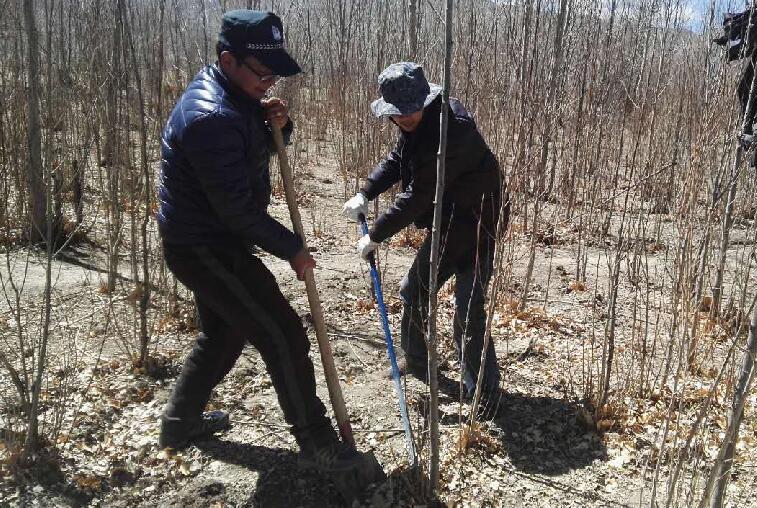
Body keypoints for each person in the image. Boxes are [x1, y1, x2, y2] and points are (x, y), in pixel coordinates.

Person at [156, 9, 376, 480]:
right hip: (204, 246)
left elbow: (251, 151)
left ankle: (179, 425)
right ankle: (317, 443)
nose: (269, 81)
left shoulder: (235, 97)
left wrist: (279, 125)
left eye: (274, 72)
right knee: (282, 333)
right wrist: (291, 247)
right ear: (228, 59)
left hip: (215, 237)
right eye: (262, 72)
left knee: (224, 333)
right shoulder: (210, 116)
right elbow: (236, 209)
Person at [343, 62, 507, 406]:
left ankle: (484, 393)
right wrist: (367, 191)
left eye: (411, 111)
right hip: (449, 221)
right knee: (414, 290)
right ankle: (416, 363)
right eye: (398, 113)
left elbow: (420, 195)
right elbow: (397, 157)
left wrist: (375, 234)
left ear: (425, 100)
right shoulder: (414, 126)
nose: (405, 118)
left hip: (480, 223)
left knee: (468, 306)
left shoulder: (453, 131)